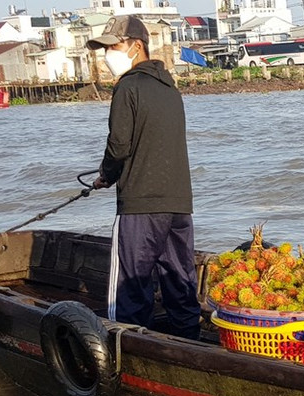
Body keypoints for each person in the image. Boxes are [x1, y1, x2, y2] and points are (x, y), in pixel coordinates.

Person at [87, 15, 201, 340]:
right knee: (180, 283)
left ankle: (126, 357)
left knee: (129, 288)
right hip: (179, 205)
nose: (107, 55)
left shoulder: (128, 87)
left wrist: (105, 176)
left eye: (113, 47)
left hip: (141, 206)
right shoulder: (171, 89)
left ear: (136, 47)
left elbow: (119, 145)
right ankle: (189, 350)